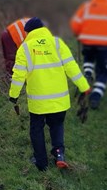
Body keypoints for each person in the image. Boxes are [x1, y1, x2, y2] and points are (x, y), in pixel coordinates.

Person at [9, 17, 90, 171]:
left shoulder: (25, 48)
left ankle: (41, 162)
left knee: (37, 129)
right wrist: (84, 86)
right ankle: (59, 154)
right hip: (59, 100)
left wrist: (14, 95)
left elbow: (18, 75)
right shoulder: (57, 43)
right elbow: (71, 67)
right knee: (57, 125)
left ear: (28, 32)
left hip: (38, 103)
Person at [70, 0, 107, 109]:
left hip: (87, 42)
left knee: (88, 58)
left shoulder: (86, 6)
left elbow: (75, 24)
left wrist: (78, 33)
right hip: (104, 45)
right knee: (103, 71)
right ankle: (95, 96)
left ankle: (87, 73)